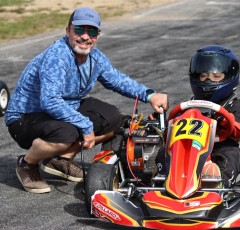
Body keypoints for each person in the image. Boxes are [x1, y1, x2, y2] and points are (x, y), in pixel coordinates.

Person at [5, 7, 168, 194]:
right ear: (68, 31)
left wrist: (150, 95)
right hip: (25, 117)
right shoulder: (57, 56)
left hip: (61, 109)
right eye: (79, 30)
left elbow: (117, 80)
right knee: (66, 133)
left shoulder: (95, 58)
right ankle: (27, 164)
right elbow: (49, 101)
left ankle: (60, 159)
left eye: (91, 31)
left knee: (115, 119)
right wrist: (85, 125)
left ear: (97, 34)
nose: (85, 37)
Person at [156, 45, 240, 188]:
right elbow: (174, 127)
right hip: (188, 148)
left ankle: (218, 184)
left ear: (230, 77)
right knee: (163, 152)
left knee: (232, 155)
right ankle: (163, 181)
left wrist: (225, 120)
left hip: (220, 148)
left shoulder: (236, 104)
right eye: (204, 76)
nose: (208, 81)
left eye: (216, 76)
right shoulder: (190, 106)